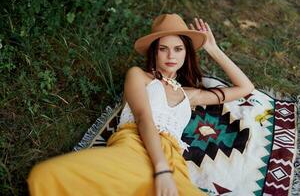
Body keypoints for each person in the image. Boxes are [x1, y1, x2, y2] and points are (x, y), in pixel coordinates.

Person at [27, 13, 254, 196]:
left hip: (174, 160)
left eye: (178, 49)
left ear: (187, 53)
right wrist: (161, 169)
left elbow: (245, 88)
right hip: (134, 146)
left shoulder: (190, 95)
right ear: (153, 52)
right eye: (163, 48)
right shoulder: (139, 76)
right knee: (46, 175)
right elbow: (144, 117)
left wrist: (213, 49)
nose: (171, 55)